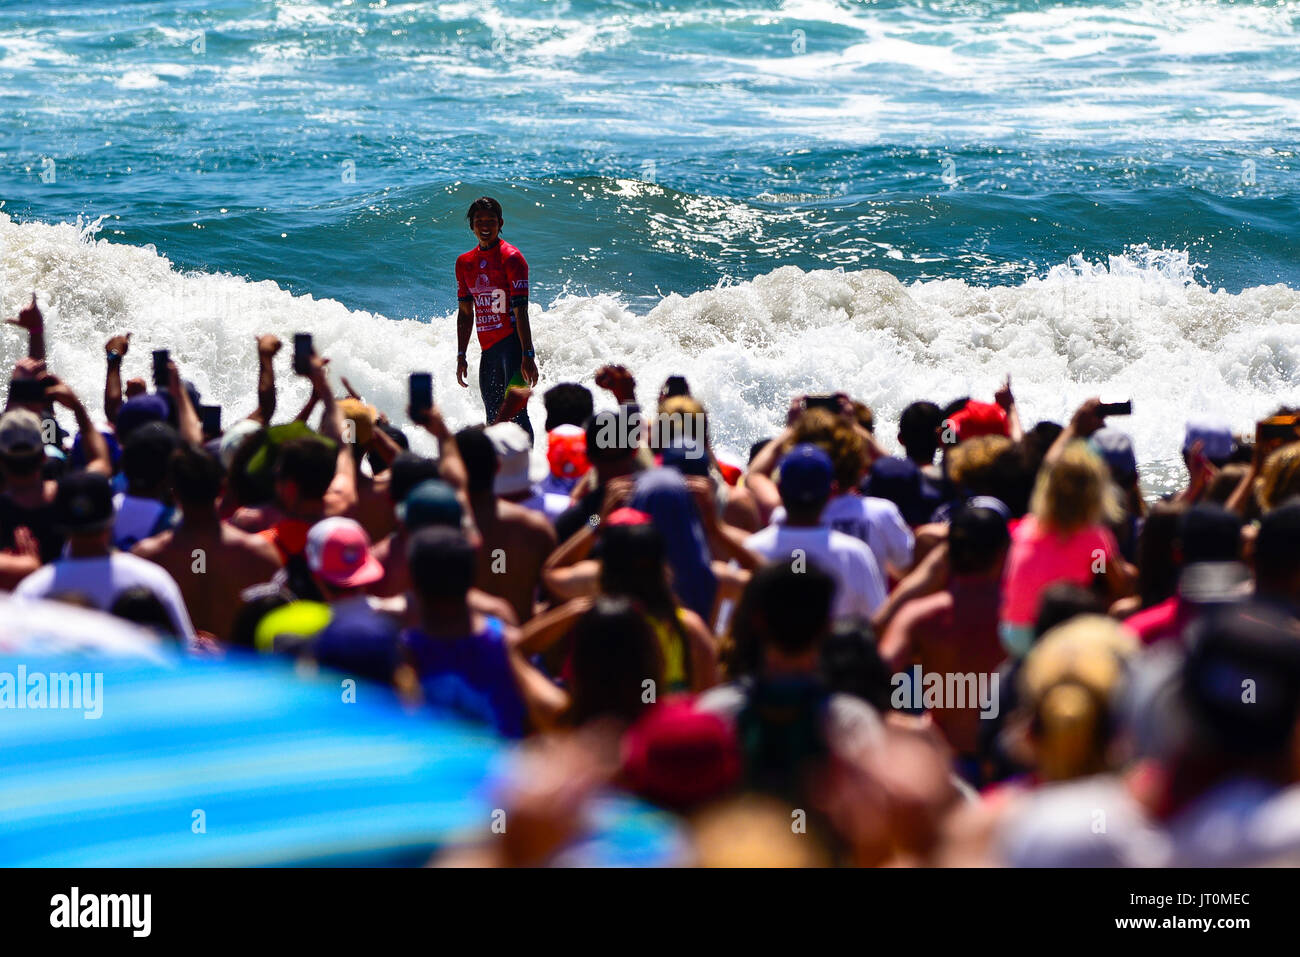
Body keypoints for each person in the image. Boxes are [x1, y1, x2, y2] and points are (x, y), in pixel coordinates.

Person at [879, 502, 1011, 779]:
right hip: (1003, 765)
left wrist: (921, 580)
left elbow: (872, 667)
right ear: (1003, 554)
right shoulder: (1019, 617)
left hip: (942, 762)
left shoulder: (922, 616)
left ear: (948, 555)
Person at [400, 527, 564, 737]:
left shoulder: (404, 653)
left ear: (413, 583)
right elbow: (554, 713)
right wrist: (594, 523)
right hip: (502, 766)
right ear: (473, 577)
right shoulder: (504, 641)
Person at [14, 470, 196, 645]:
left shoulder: (34, 589)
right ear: (112, 516)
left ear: (61, 524)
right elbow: (187, 654)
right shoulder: (153, 580)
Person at [132, 444, 283, 640]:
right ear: (222, 488)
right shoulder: (259, 554)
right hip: (237, 666)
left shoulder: (148, 557)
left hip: (177, 667)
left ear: (174, 493)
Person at [999, 441, 1133, 657]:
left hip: (1013, 634)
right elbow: (1115, 583)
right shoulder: (1094, 538)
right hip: (1054, 637)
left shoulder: (1027, 528)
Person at [745, 444, 886, 621]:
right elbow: (876, 622)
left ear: (779, 489)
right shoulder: (855, 555)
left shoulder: (751, 549)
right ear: (832, 491)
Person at [455, 196, 538, 439]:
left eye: (491, 221)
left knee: (518, 414)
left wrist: (528, 354)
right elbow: (465, 313)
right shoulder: (464, 263)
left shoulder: (512, 258)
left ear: (500, 223)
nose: (485, 226)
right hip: (488, 351)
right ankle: (499, 472)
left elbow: (521, 311)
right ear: (471, 225)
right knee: (493, 416)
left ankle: (528, 469)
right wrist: (461, 355)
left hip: (512, 347)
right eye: (479, 220)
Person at [454, 426, 555, 624]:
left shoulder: (446, 528)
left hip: (467, 642)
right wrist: (594, 523)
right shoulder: (542, 522)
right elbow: (558, 591)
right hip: (528, 637)